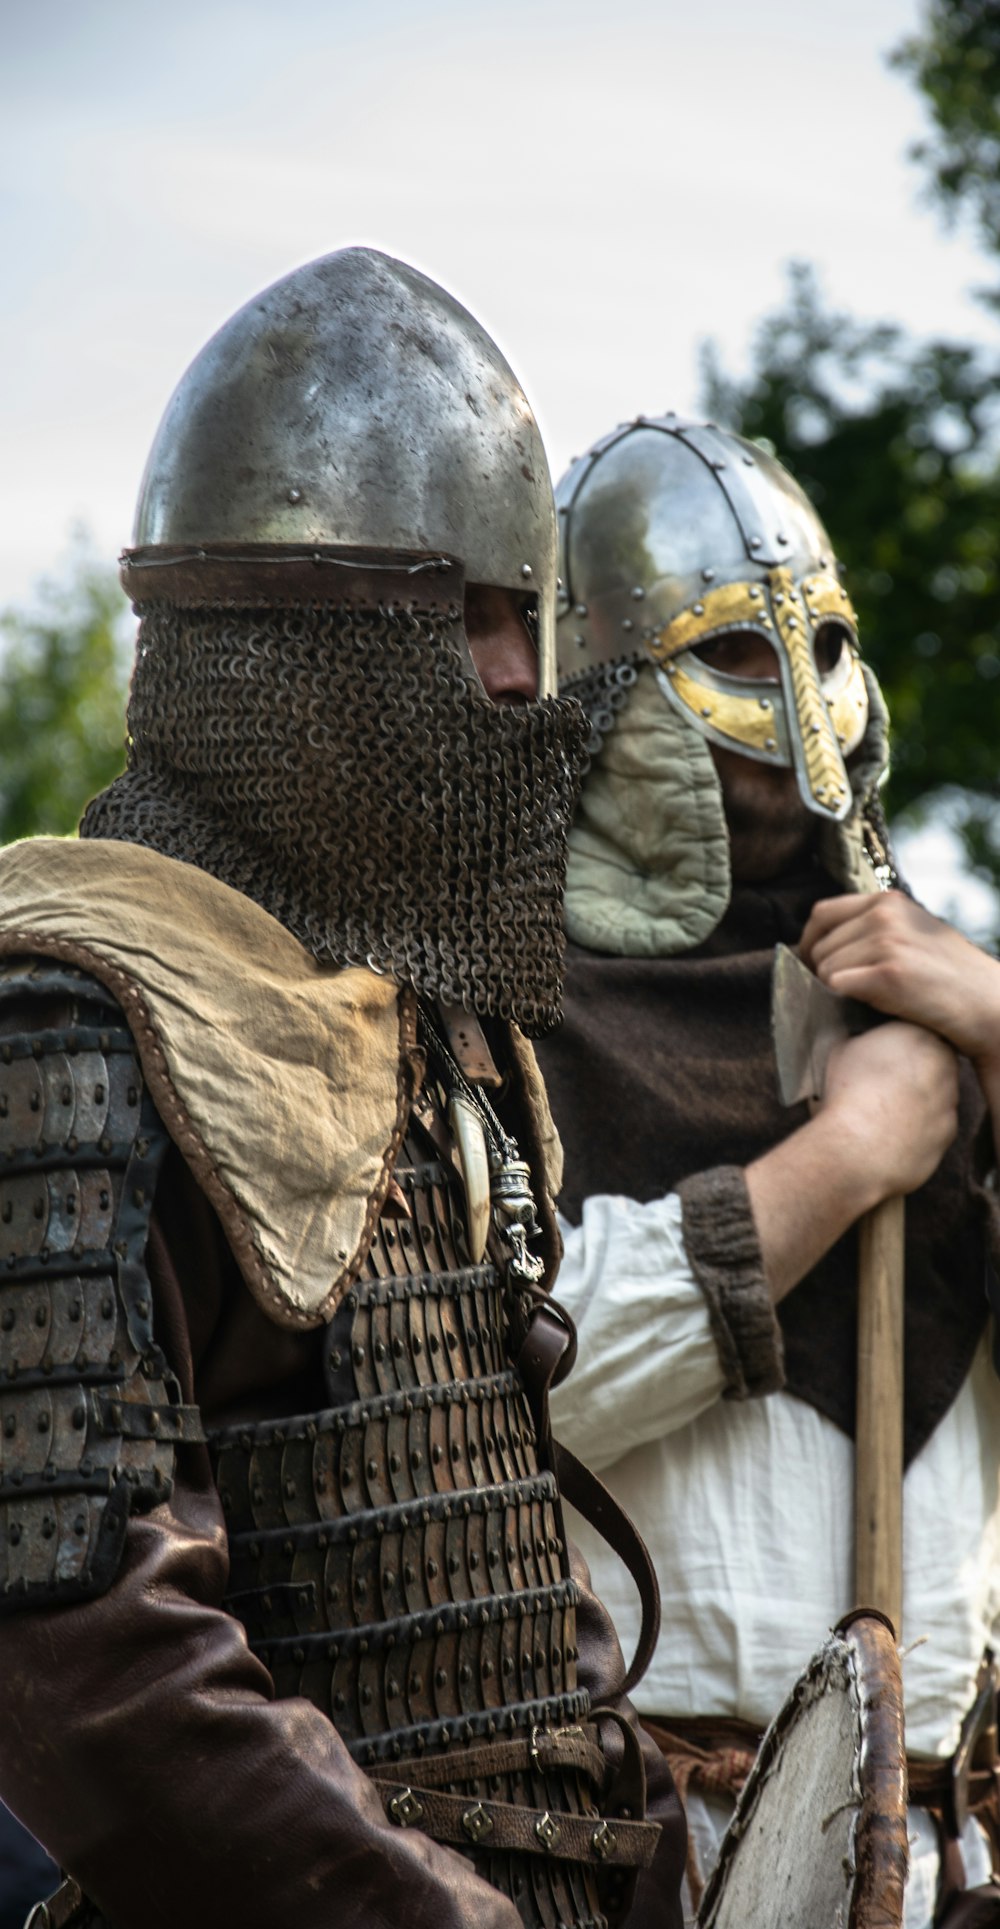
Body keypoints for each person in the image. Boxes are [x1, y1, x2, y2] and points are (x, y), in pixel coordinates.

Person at [0, 254, 685, 1929]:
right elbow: (79, 1649)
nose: (524, 674)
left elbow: (500, 1576)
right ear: (291, 642)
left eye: (524, 611)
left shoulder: (433, 1023)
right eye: (466, 611)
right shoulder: (69, 1024)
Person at [535, 413, 1000, 1928]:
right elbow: (511, 1376)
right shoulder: (504, 1008)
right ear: (592, 690)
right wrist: (851, 1154)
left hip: (948, 1864)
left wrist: (993, 1039)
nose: (801, 714)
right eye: (731, 656)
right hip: (646, 1855)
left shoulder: (931, 995)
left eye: (824, 650)